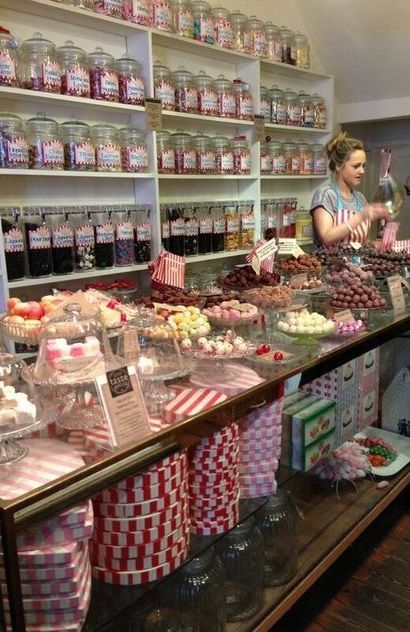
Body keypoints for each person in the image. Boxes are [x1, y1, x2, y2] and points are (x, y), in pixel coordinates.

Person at [310, 132, 390, 247]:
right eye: (356, 166)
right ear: (338, 166)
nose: (362, 171)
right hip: (330, 264)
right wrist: (361, 216)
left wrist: (372, 244)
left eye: (363, 166)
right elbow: (326, 237)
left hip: (356, 264)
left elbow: (357, 241)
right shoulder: (326, 195)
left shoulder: (360, 198)